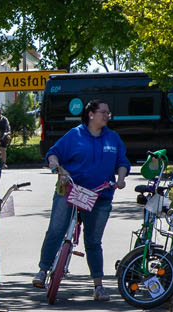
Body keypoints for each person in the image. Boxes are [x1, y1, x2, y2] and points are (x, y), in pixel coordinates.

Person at [34, 99, 129, 299]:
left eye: (108, 112)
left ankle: (98, 286)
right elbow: (54, 154)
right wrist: (56, 167)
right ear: (91, 114)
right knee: (56, 230)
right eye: (104, 111)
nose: (107, 115)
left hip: (100, 195)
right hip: (71, 190)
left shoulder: (112, 138)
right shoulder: (74, 135)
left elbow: (122, 162)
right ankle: (42, 271)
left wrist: (120, 179)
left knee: (93, 241)